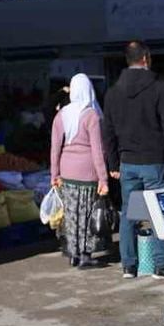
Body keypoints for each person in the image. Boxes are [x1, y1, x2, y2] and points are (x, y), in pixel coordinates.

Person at [102, 41, 164, 279]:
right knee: (159, 211)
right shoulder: (158, 88)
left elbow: (107, 131)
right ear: (146, 59)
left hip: (127, 162)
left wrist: (113, 164)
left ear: (128, 60)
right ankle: (160, 264)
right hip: (154, 160)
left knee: (129, 212)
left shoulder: (113, 92)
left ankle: (129, 265)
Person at [50, 73, 110, 269]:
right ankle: (85, 254)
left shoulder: (61, 115)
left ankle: (73, 253)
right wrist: (103, 178)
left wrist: (54, 174)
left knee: (71, 213)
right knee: (86, 213)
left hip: (67, 172)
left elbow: (55, 147)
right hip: (88, 172)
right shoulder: (91, 115)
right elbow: (98, 150)